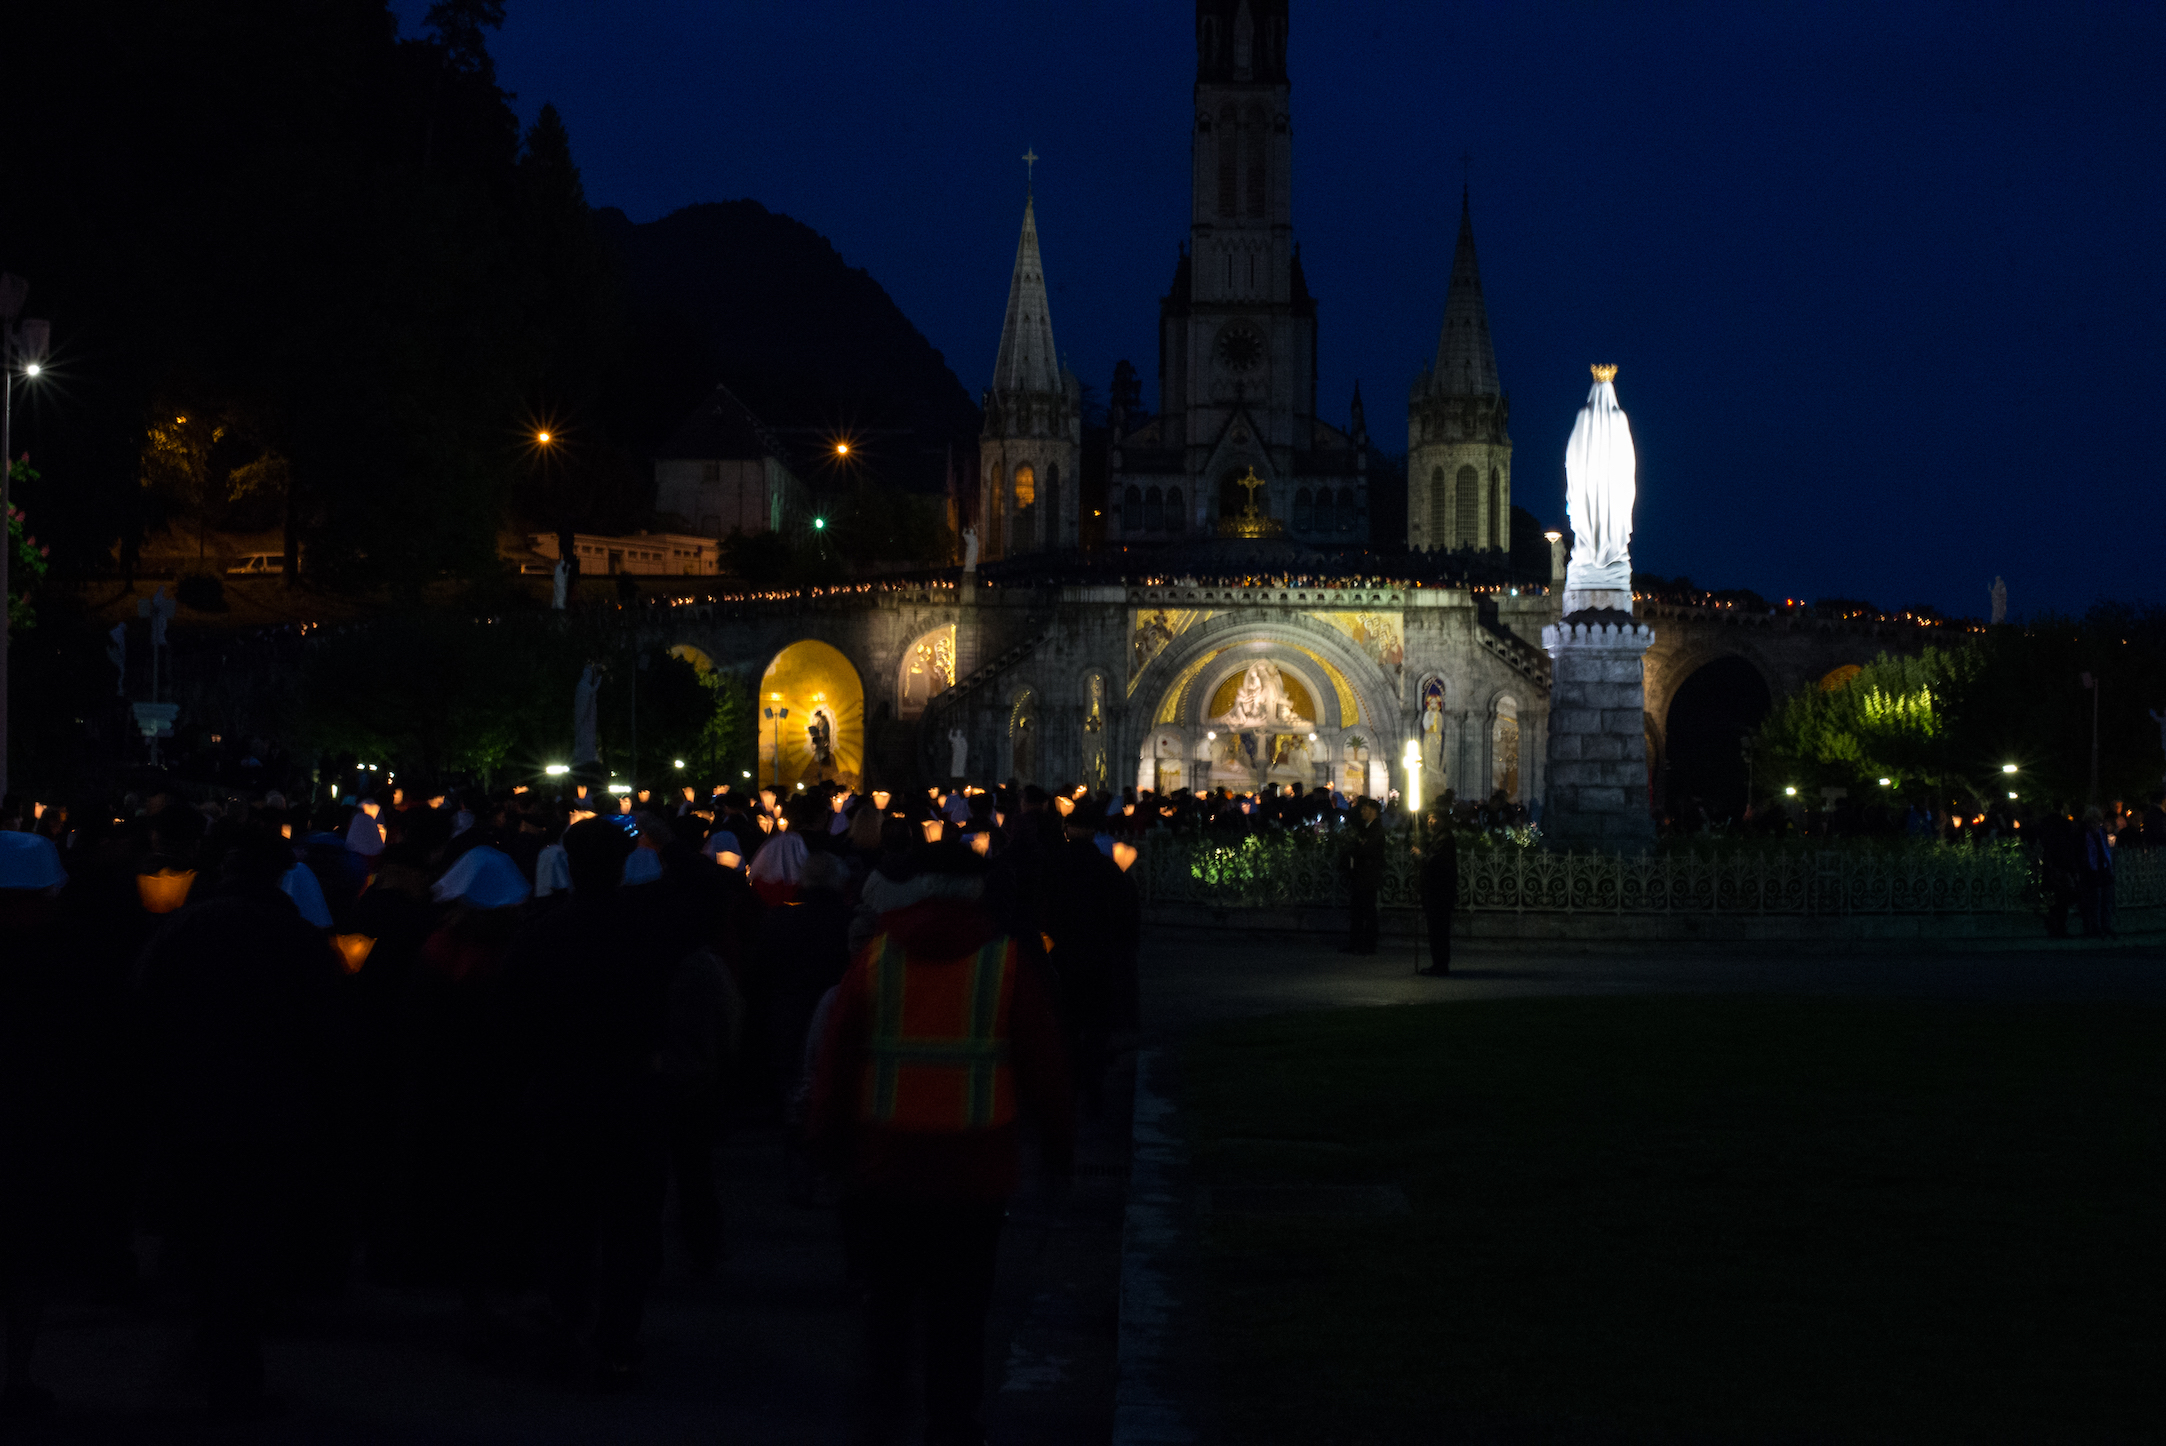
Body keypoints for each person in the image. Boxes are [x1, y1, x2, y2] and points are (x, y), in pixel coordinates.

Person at [808, 840, 1074, 1446]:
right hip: (974, 1169)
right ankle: (953, 1424)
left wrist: (825, 1146)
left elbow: (836, 1063)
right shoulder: (1005, 965)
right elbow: (1045, 1068)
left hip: (886, 1165)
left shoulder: (876, 961)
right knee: (960, 1314)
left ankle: (880, 1415)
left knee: (887, 1309)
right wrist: (1058, 1148)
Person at [135, 828, 348, 1418]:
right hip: (270, 1111)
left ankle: (210, 1340)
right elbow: (327, 1034)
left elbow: (142, 1015)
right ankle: (236, 1363)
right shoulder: (299, 940)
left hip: (191, 1108)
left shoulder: (180, 931)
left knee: (200, 1230)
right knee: (249, 1238)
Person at [1415, 795, 1458, 976]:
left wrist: (1421, 856)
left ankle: (1440, 964)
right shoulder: (1438, 838)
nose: (1430, 822)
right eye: (1429, 818)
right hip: (1435, 892)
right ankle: (1438, 963)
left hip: (1439, 893)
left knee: (1438, 930)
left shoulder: (1444, 839)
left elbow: (1437, 862)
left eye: (1434, 818)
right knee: (1435, 930)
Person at [1340, 796, 1385, 955]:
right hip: (1361, 875)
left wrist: (1358, 848)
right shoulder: (1364, 827)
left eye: (1365, 809)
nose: (1362, 812)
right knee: (1358, 911)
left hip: (1368, 875)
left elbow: (1367, 850)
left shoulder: (1376, 829)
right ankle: (1356, 943)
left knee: (1367, 911)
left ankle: (1368, 944)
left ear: (1373, 811)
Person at [2078, 805, 2117, 939]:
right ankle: (2096, 927)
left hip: (2103, 869)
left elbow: (2105, 849)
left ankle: (2105, 926)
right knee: (2095, 901)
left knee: (2105, 900)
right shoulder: (2084, 833)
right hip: (2091, 871)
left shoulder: (2101, 831)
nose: (2095, 823)